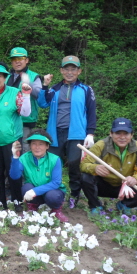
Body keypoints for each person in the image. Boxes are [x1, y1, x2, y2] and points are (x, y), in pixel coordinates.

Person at [38, 55, 97, 206]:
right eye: (66, 69)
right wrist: (45, 86)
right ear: (61, 70)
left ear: (79, 71)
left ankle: (74, 195)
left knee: (74, 165)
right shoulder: (55, 89)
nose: (70, 72)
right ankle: (52, 194)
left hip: (76, 134)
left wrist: (90, 133)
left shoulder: (86, 89)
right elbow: (42, 103)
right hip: (55, 133)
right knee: (52, 164)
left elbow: (92, 112)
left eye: (73, 69)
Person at [0, 62, 32, 211]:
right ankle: (0, 202)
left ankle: (17, 202)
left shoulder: (14, 92)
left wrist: (26, 95)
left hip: (12, 141)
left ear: (5, 78)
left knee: (13, 172)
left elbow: (25, 113)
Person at [80, 117, 137, 215]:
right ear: (111, 133)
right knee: (86, 177)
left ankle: (124, 205)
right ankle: (95, 206)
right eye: (118, 133)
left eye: (126, 133)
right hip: (103, 185)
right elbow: (84, 165)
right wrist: (95, 168)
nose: (122, 137)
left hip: (125, 187)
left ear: (132, 135)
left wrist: (135, 179)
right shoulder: (101, 145)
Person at [9, 129, 69, 222]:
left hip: (51, 192)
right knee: (26, 188)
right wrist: (15, 157)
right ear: (30, 146)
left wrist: (35, 191)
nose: (37, 147)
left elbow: (56, 182)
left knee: (52, 196)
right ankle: (32, 207)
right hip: (34, 194)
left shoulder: (55, 159)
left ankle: (56, 210)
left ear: (47, 146)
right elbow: (15, 176)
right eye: (34, 144)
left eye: (41, 144)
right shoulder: (24, 158)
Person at [6, 47, 42, 153]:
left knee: (24, 151)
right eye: (14, 59)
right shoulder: (6, 76)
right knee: (9, 151)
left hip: (25, 122)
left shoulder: (34, 76)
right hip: (8, 121)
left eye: (20, 58)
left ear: (26, 60)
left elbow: (39, 95)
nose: (17, 62)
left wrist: (29, 83)